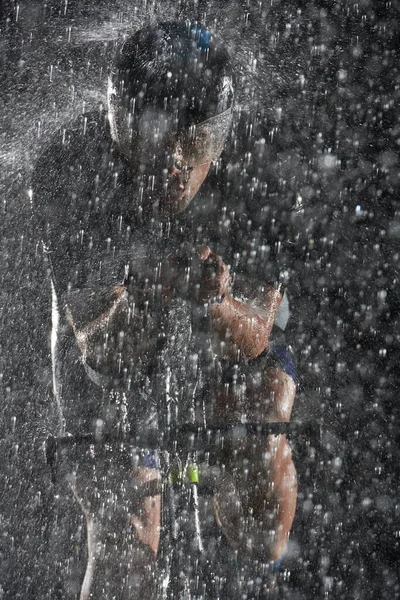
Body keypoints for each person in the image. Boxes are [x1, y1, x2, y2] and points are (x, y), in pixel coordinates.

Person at [32, 22, 298, 599]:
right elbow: (100, 357)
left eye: (194, 141)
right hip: (107, 341)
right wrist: (150, 298)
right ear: (117, 124)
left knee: (264, 530)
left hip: (220, 335)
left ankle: (237, 460)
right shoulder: (71, 168)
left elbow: (255, 340)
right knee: (125, 540)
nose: (174, 161)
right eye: (152, 137)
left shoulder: (265, 160)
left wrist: (218, 303)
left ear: (222, 137)